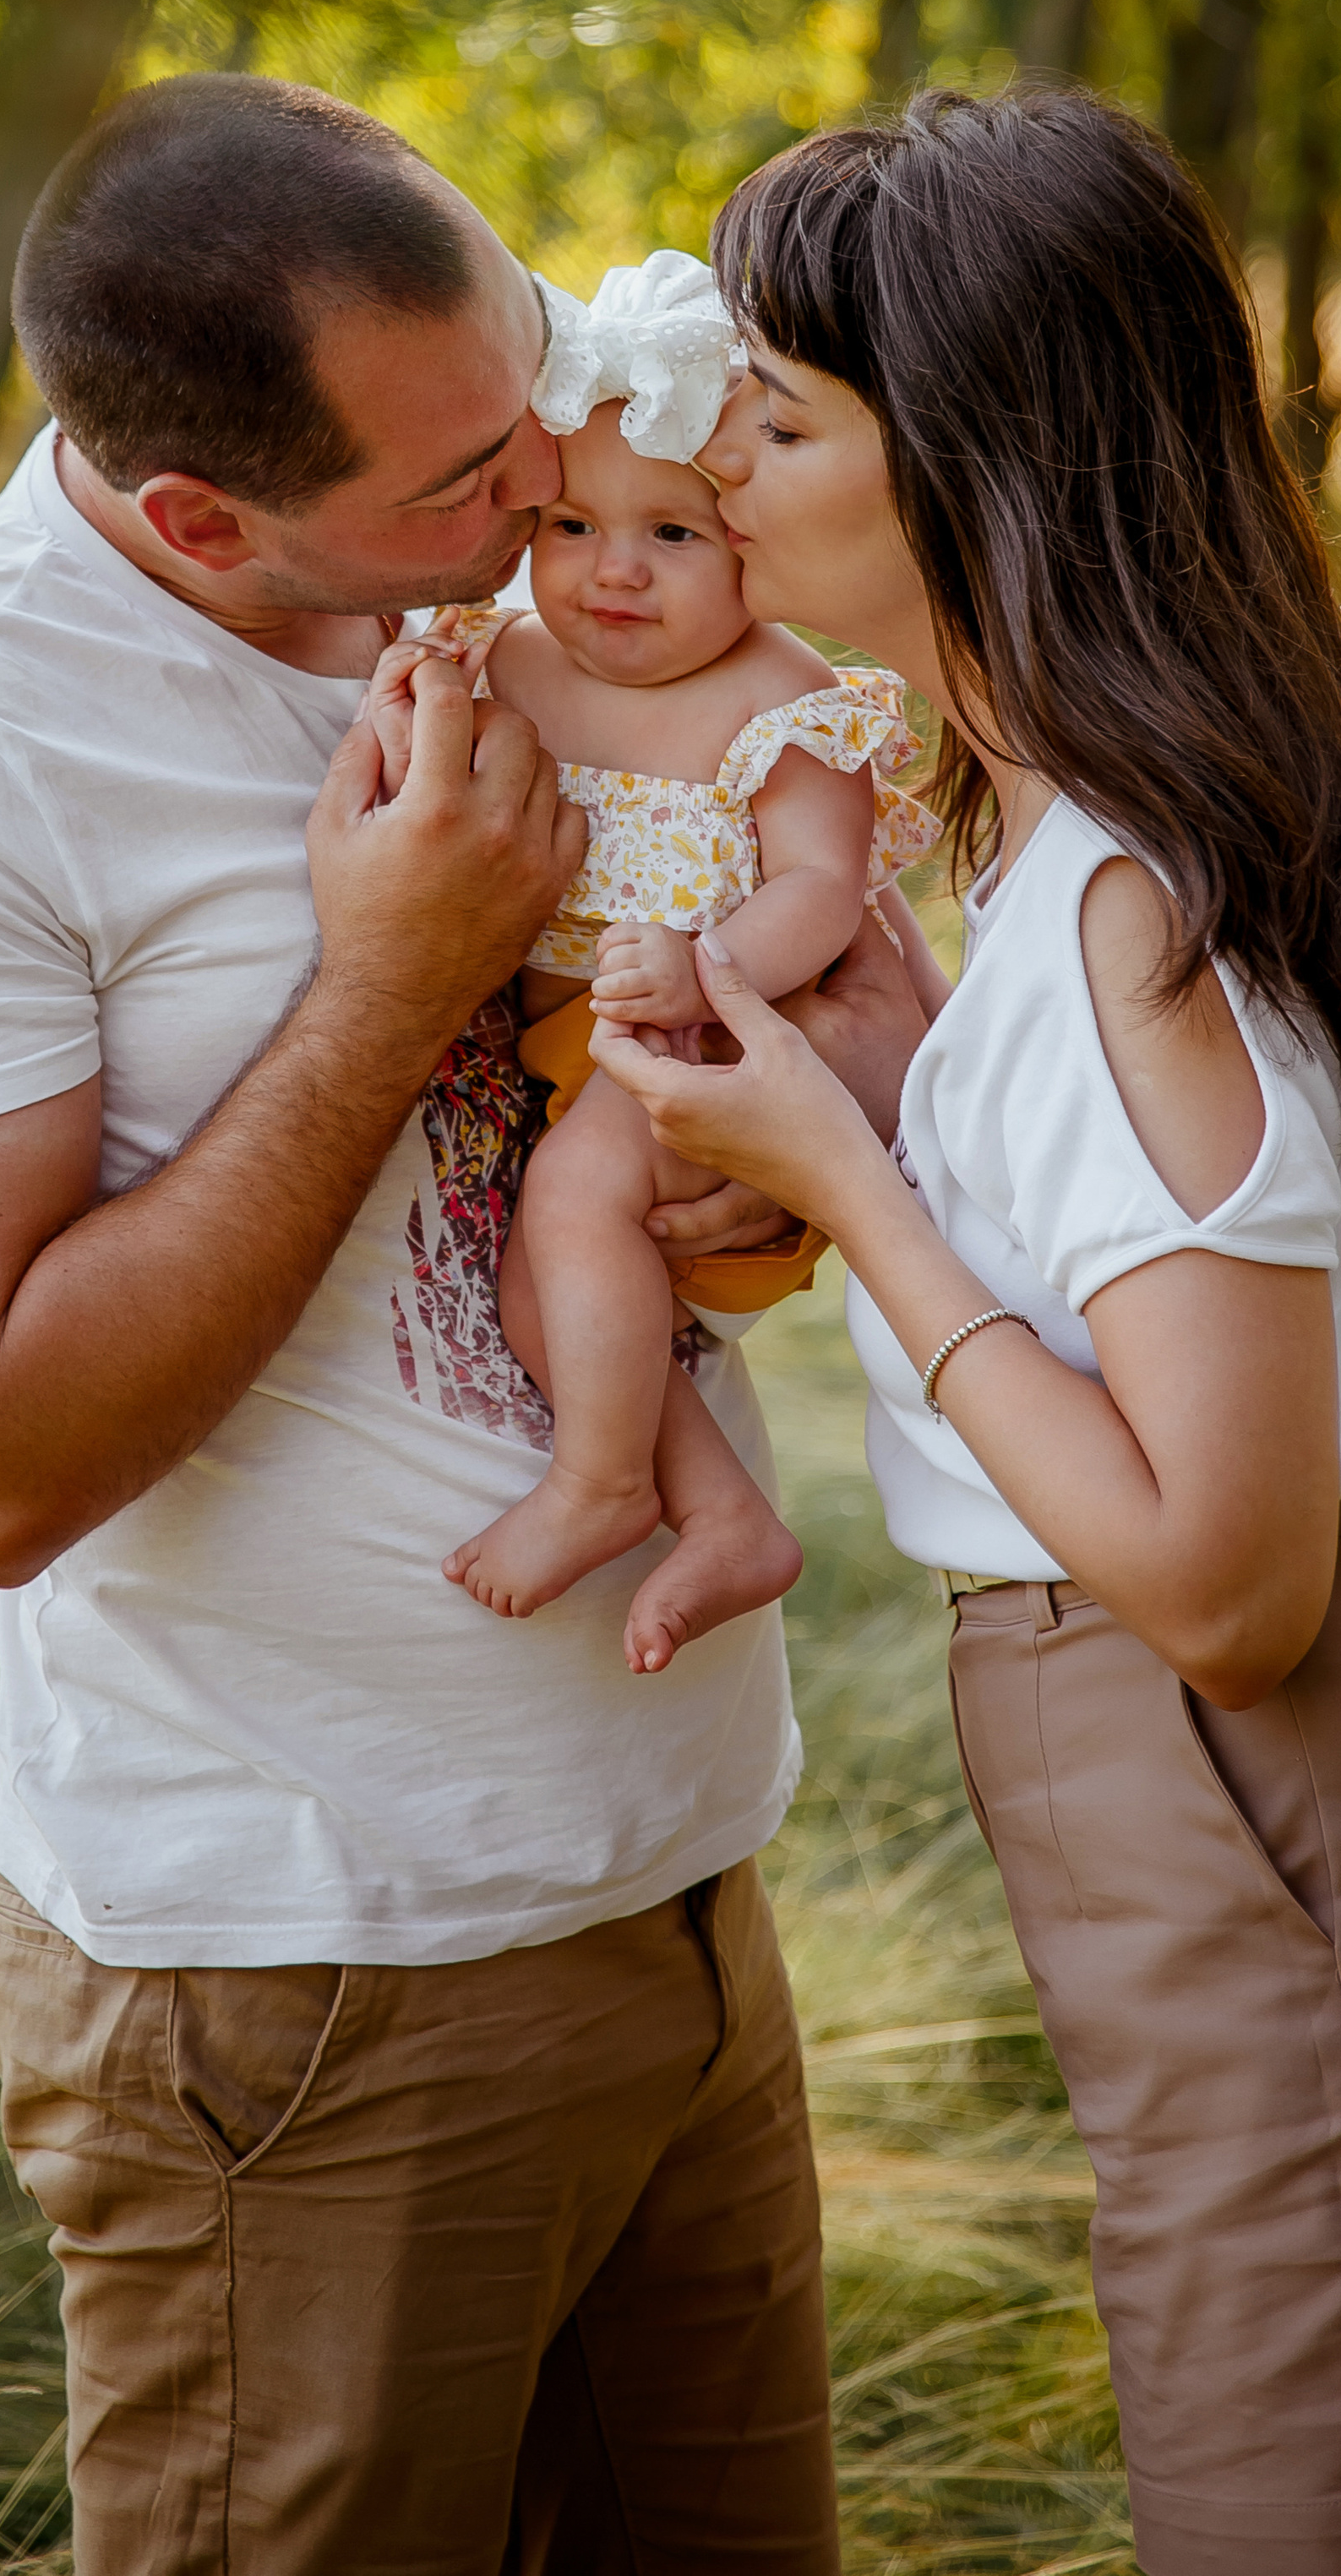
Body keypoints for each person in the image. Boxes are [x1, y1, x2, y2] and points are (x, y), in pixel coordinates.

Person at [0, 74, 917, 2574]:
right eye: (473, 479)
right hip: (310, 1981)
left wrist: (806, 1132)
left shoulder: (519, 521)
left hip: (679, 1878)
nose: (558, 486)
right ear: (198, 522)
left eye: (538, 378)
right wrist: (387, 988)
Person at [591, 84, 1341, 2576]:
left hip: (1277, 1779)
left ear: (972, 465)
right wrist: (913, 1099)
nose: (714, 462)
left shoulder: (1127, 899)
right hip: (1322, 1786)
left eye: (780, 417)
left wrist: (848, 1185)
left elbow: (1225, 1582)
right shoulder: (1142, 825)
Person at [362, 253, 938, 1673]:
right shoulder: (506, 660)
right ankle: (719, 1511)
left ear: (745, 536)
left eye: (672, 533)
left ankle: (601, 1484)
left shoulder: (785, 704)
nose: (613, 570)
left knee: (573, 1203)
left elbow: (825, 889)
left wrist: (707, 968)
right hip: (572, 1051)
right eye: (572, 524)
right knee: (537, 1284)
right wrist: (408, 715)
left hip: (704, 1044)